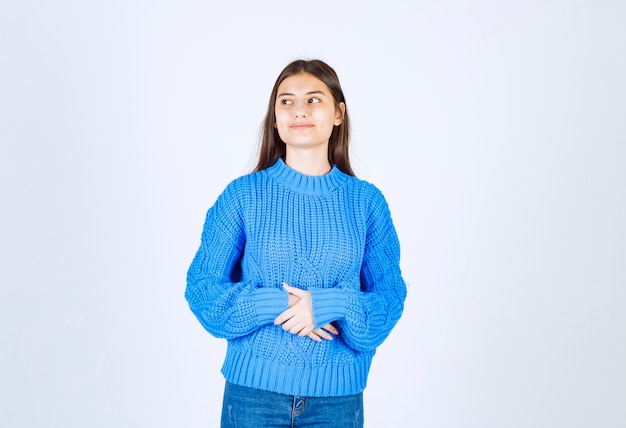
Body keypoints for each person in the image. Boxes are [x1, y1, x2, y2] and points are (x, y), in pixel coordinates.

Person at [185, 59, 407, 428]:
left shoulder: (366, 202)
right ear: (274, 119)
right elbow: (203, 290)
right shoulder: (243, 196)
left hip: (337, 402)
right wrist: (281, 303)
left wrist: (327, 304)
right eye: (286, 102)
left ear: (339, 113)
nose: (299, 111)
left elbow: (388, 299)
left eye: (314, 100)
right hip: (252, 397)